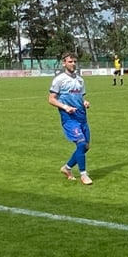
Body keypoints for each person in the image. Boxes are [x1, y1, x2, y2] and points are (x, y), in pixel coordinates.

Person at [49, 53, 93, 185]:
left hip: (82, 117)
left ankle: (67, 168)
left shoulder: (80, 80)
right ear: (64, 63)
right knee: (80, 143)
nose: (73, 64)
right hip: (69, 119)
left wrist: (85, 102)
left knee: (85, 147)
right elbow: (51, 99)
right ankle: (83, 175)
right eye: (70, 61)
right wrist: (65, 107)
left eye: (74, 61)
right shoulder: (59, 80)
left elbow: (80, 97)